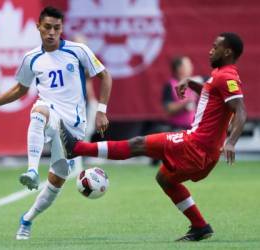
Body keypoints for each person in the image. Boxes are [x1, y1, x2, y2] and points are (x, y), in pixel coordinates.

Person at [59, 32, 246, 241]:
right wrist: (193, 84)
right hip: (203, 150)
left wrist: (231, 142)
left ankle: (76, 148)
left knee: (138, 144)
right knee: (165, 179)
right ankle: (200, 226)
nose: (211, 50)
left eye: (216, 47)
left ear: (228, 51)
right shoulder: (222, 75)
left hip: (196, 145)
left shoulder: (226, 76)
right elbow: (215, 96)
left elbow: (240, 110)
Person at [0, 6, 112, 240]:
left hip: (74, 125)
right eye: (47, 27)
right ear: (38, 27)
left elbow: (105, 75)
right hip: (50, 112)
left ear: (62, 29)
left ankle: (27, 219)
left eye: (56, 28)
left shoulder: (78, 50)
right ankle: (32, 170)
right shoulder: (31, 58)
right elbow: (20, 89)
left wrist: (101, 110)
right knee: (39, 111)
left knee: (57, 180)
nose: (51, 32)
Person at [162, 56, 201, 130]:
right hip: (177, 129)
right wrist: (185, 105)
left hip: (193, 128)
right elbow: (169, 109)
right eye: (188, 65)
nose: (191, 67)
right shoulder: (170, 86)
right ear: (179, 68)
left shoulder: (193, 84)